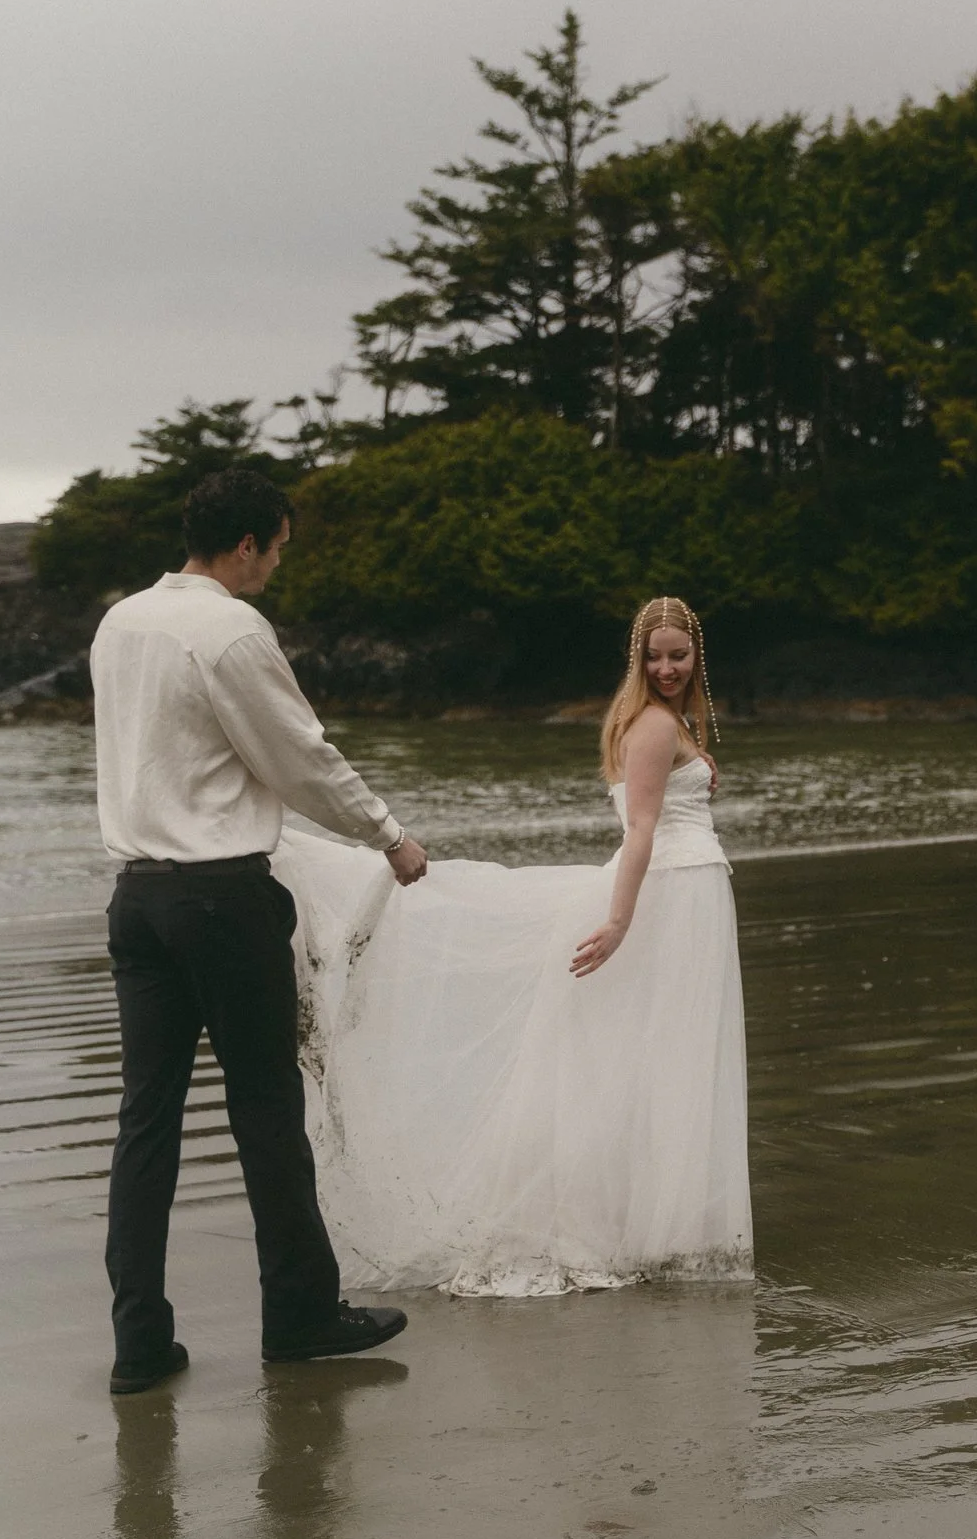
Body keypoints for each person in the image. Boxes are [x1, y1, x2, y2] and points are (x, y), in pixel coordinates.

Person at [273, 595, 752, 1297]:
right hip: (669, 895)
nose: (667, 666)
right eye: (654, 655)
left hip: (684, 890)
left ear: (697, 654)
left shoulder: (663, 718)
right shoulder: (652, 725)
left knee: (654, 1057)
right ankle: (636, 1224)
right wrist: (619, 922)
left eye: (678, 654)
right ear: (636, 658)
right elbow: (643, 830)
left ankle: (654, 1221)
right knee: (653, 1055)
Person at [93, 469, 426, 1395]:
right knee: (266, 1110)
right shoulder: (233, 629)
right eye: (277, 545)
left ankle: (139, 1344)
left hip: (138, 902)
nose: (278, 562)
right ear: (245, 543)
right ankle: (300, 1317)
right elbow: (299, 755)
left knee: (145, 1122)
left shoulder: (121, 622)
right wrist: (388, 834)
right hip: (221, 902)